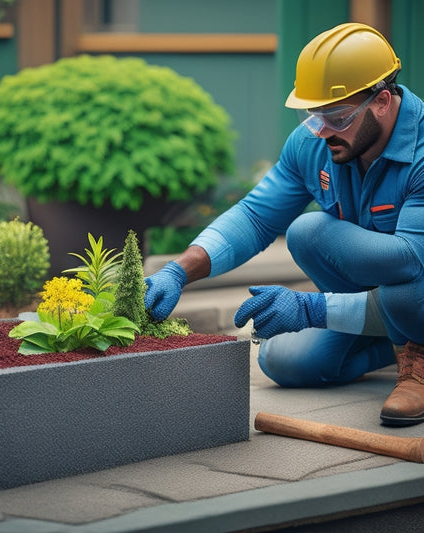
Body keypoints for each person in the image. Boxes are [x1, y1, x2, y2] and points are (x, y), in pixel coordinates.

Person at [144, 22, 424, 427]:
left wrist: (311, 307)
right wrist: (178, 270)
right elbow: (256, 215)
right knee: (282, 359)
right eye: (312, 116)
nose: (323, 130)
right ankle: (396, 344)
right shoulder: (317, 144)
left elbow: (410, 262)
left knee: (312, 232)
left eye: (338, 117)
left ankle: (416, 358)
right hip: (386, 301)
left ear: (382, 101)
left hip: (417, 287)